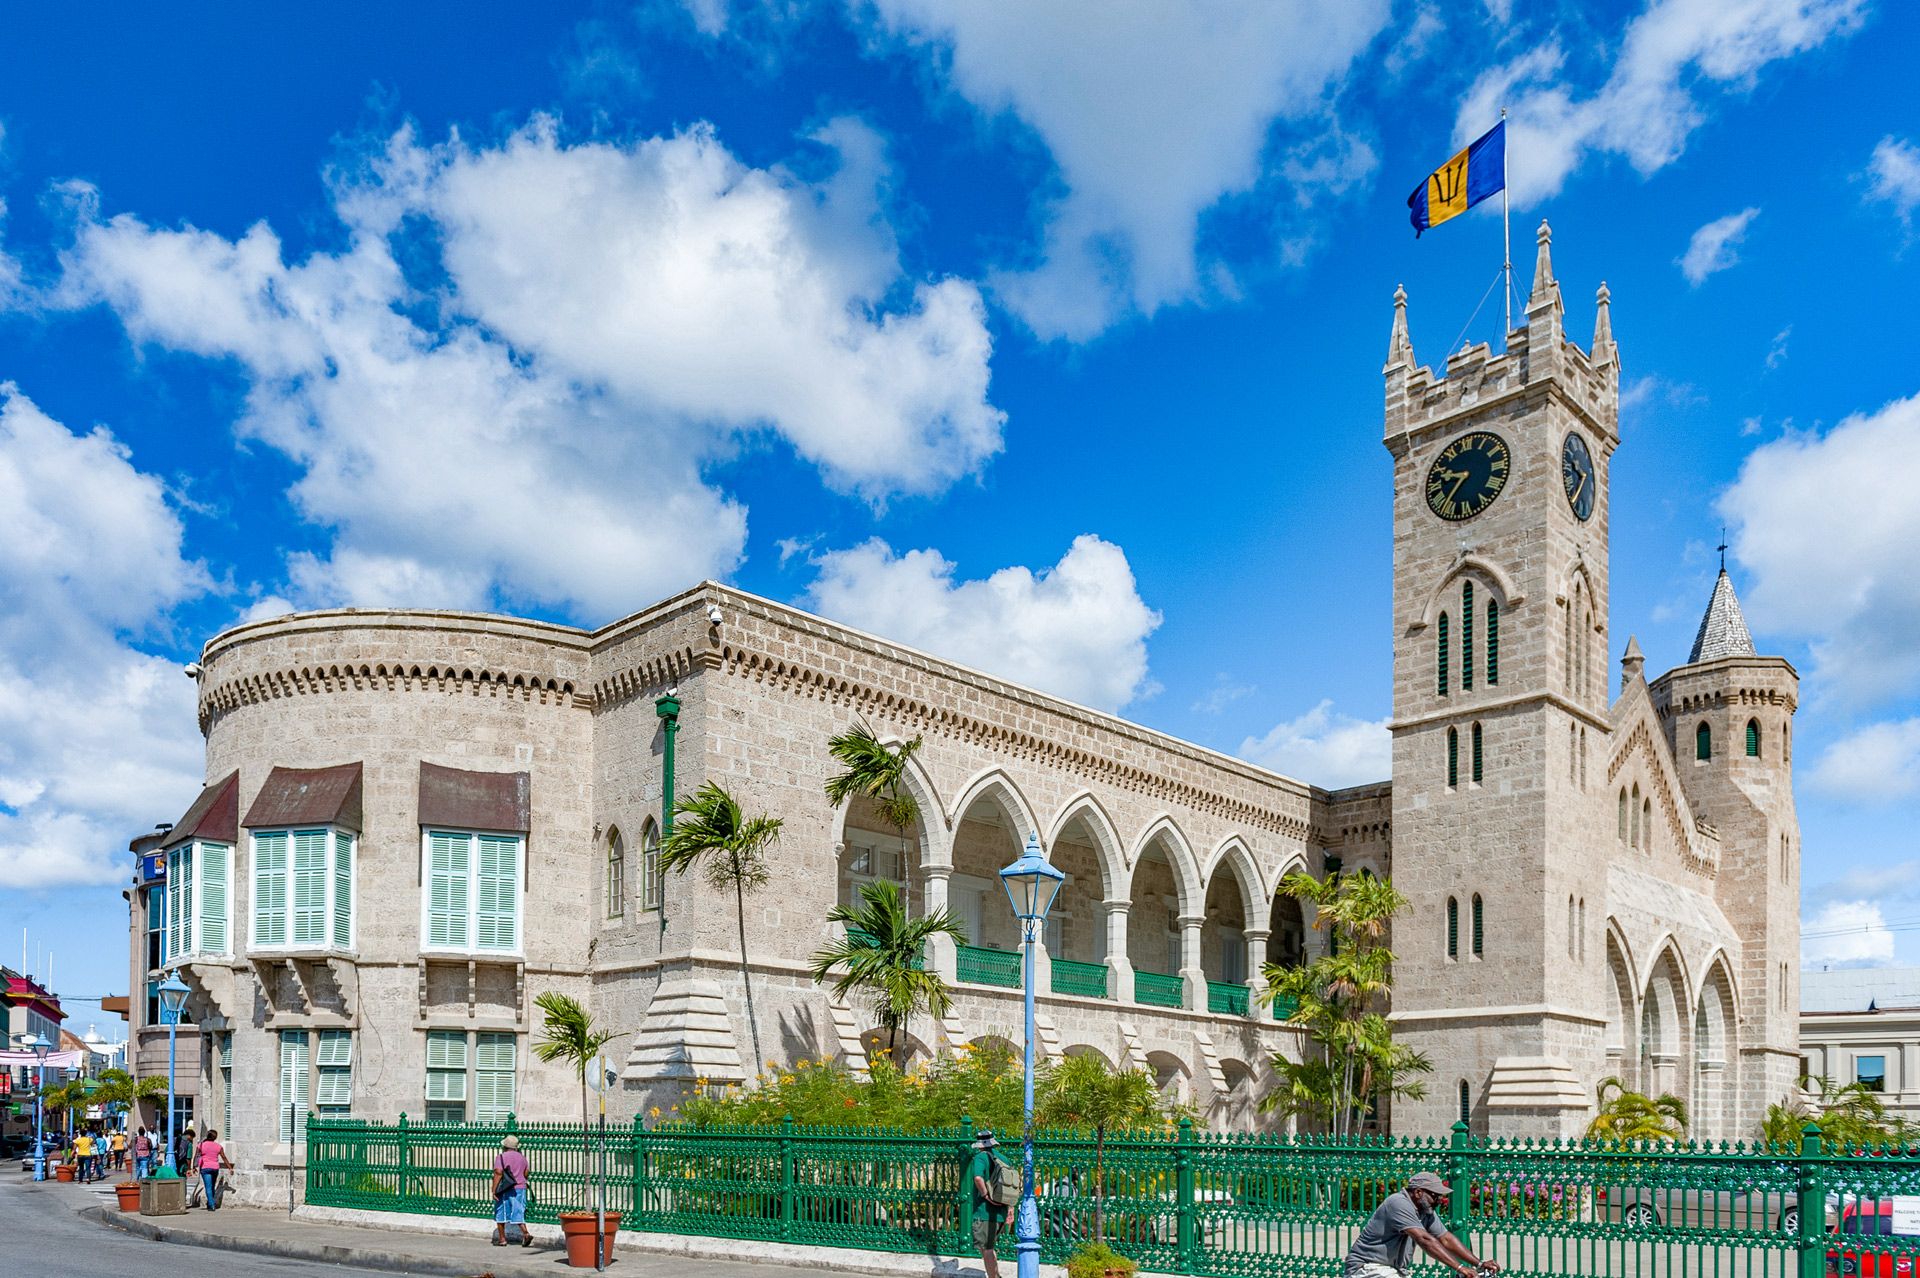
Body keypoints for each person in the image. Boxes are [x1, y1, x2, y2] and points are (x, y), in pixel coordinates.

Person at [1343, 1173, 1498, 1278]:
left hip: (1391, 1270)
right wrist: (1459, 1268)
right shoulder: (1398, 1203)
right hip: (1367, 1268)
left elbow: (1445, 1238)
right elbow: (1425, 1239)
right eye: (1435, 1195)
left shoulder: (1425, 1210)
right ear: (1418, 1193)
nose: (1439, 1200)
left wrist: (1479, 1263)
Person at [965, 1129, 1009, 1278]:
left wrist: (985, 1195)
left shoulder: (981, 1157)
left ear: (980, 1144)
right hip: (1001, 1210)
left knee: (986, 1248)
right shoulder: (1003, 1159)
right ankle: (995, 1275)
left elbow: (978, 1178)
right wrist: (1010, 1209)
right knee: (989, 1246)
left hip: (985, 1211)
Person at [491, 1134, 532, 1247]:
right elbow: (526, 1172)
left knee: (501, 1212)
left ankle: (502, 1239)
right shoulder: (522, 1157)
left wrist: (494, 1189)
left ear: (505, 1146)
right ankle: (525, 1233)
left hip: (505, 1189)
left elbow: (498, 1172)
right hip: (520, 1187)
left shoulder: (501, 1157)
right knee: (518, 1210)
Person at [195, 1129, 234, 1210]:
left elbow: (196, 1156)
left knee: (208, 1187)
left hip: (205, 1167)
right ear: (215, 1137)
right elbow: (224, 1157)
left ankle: (211, 1204)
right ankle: (210, 1203)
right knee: (212, 1186)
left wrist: (193, 1167)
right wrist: (230, 1167)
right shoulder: (218, 1146)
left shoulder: (201, 1145)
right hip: (215, 1168)